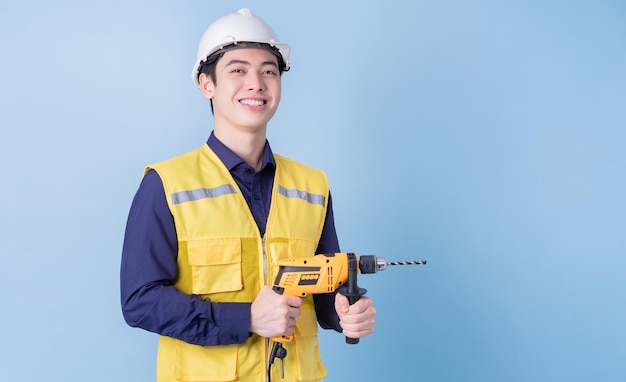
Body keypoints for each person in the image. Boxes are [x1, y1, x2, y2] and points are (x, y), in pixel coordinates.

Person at [120, 8, 376, 382]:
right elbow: (139, 301)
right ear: (207, 85)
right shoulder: (166, 183)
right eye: (237, 70)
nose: (256, 83)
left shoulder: (312, 186)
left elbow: (324, 290)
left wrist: (344, 313)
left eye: (269, 71)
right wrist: (247, 318)